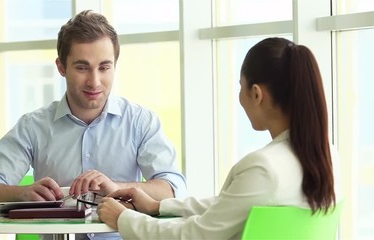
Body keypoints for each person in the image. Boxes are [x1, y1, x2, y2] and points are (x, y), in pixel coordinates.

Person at [96, 37, 342, 239]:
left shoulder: (263, 167)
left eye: (240, 87)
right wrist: (158, 206)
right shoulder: (327, 156)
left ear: (256, 94)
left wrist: (123, 219)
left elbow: (197, 235)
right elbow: (229, 206)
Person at [0, 10, 187, 240]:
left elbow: (173, 188)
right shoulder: (33, 127)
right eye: (82, 67)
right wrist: (21, 194)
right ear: (61, 67)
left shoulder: (140, 122)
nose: (94, 81)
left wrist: (115, 187)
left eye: (104, 67)